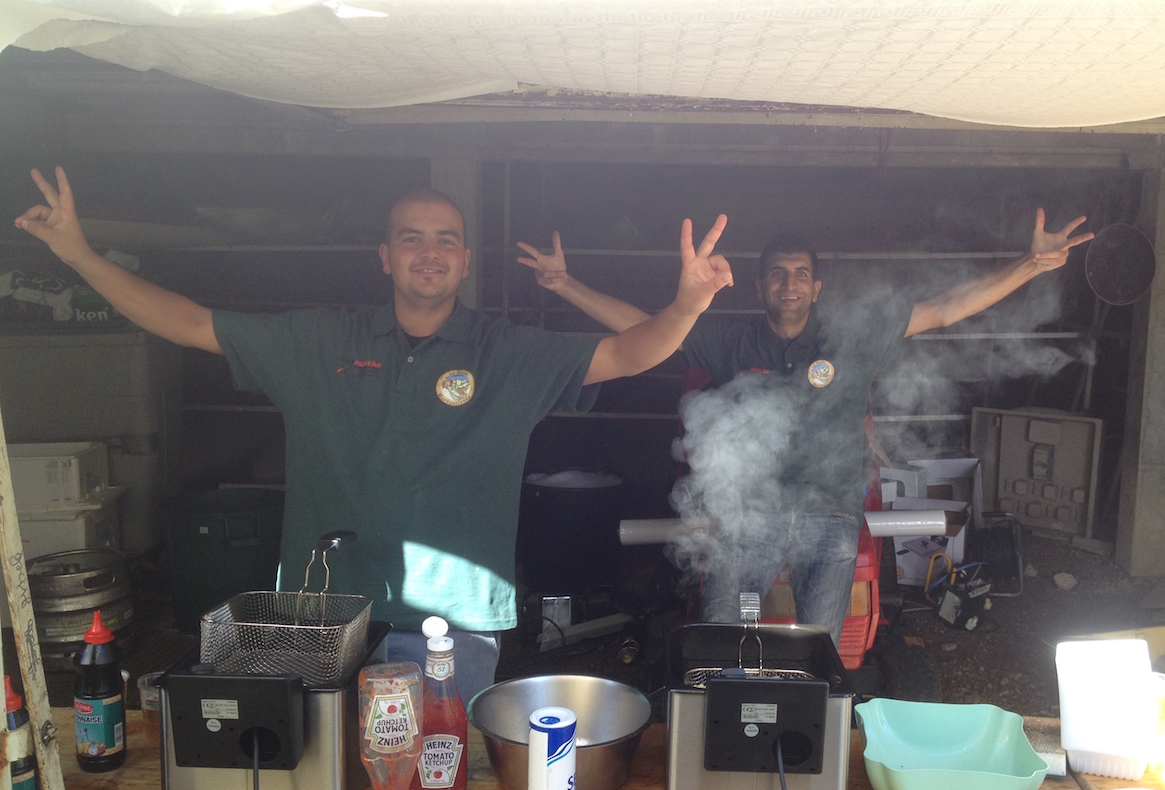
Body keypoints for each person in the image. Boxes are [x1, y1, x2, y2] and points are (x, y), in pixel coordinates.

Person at [15, 167, 733, 704]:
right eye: (411, 237)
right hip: (322, 616)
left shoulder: (508, 353)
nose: (430, 251)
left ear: (465, 260)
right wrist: (79, 255)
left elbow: (630, 353)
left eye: (446, 239)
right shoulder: (320, 340)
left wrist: (687, 306)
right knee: (316, 782)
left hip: (452, 624)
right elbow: (187, 322)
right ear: (384, 255)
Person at [516, 210, 1093, 643]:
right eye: (777, 274)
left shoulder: (852, 335)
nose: (789, 284)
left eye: (800, 275)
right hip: (751, 520)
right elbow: (643, 328)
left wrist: (1031, 265)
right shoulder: (731, 339)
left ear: (816, 288)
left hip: (830, 520)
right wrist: (564, 285)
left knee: (819, 653)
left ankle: (804, 736)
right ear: (760, 286)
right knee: (725, 641)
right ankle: (727, 726)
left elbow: (945, 309)